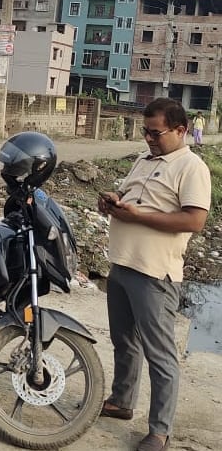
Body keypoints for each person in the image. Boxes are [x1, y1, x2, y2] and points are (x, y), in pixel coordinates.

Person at [97, 98, 210, 451]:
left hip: (154, 273)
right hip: (123, 263)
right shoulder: (144, 160)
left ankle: (160, 431)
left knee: (160, 355)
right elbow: (131, 195)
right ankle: (122, 401)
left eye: (155, 133)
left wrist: (138, 217)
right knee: (124, 341)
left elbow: (195, 220)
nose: (148, 138)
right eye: (145, 131)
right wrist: (113, 200)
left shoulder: (191, 167)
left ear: (180, 130)